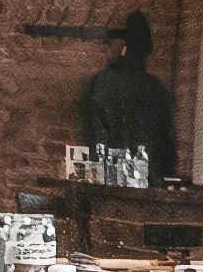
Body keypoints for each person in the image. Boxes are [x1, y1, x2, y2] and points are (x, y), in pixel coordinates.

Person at [76, 9, 178, 173]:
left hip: (105, 174)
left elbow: (91, 136)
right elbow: (168, 152)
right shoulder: (155, 90)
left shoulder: (97, 84)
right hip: (145, 177)